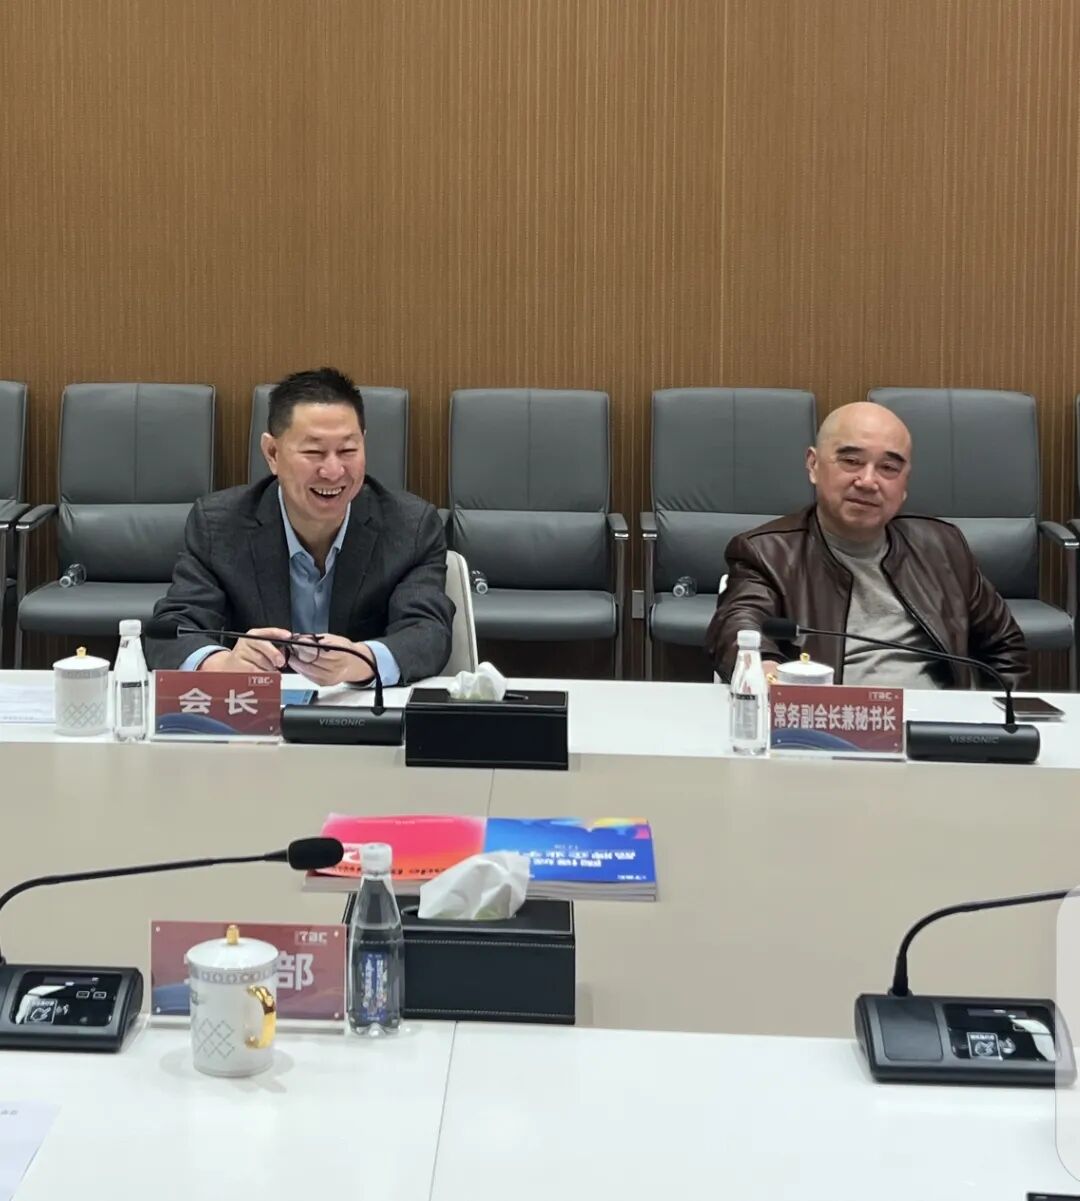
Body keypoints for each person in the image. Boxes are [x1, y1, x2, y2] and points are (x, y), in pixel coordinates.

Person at [146, 367, 453, 685]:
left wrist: (362, 660)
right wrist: (222, 664)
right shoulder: (219, 525)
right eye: (314, 452)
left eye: (348, 450)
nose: (333, 471)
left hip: (359, 707)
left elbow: (429, 632)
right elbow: (172, 629)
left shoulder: (411, 526)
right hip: (256, 709)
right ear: (272, 453)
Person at [705, 401, 1028, 688]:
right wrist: (765, 671)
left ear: (905, 483)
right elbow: (739, 628)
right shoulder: (766, 553)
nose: (868, 481)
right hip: (827, 723)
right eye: (851, 461)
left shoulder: (942, 546)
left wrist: (983, 718)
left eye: (888, 468)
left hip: (934, 725)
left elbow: (1005, 648)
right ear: (813, 465)